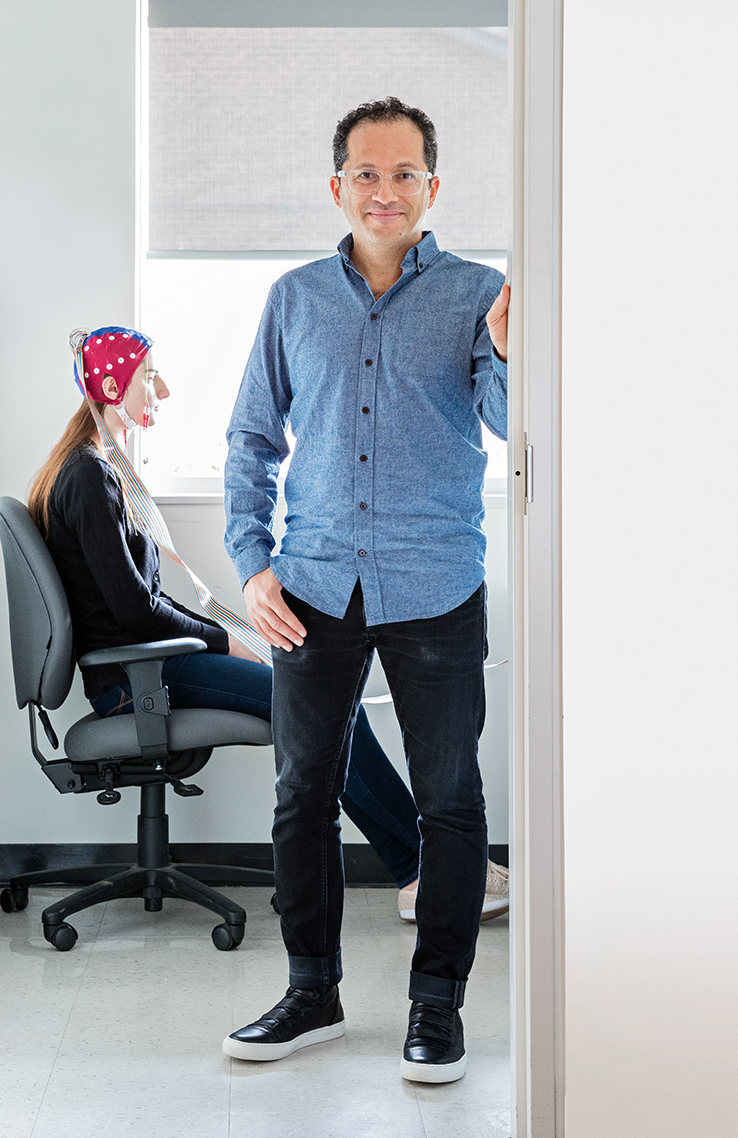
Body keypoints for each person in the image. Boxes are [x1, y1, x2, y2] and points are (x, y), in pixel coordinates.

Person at [222, 97, 510, 1082]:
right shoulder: (294, 298)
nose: (383, 192)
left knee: (448, 803)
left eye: (403, 175)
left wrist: (513, 351)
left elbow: (514, 429)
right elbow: (252, 440)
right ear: (335, 184)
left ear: (432, 187)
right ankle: (311, 994)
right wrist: (250, 562)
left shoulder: (479, 291)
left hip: (435, 584)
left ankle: (437, 1009)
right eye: (364, 173)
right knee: (301, 794)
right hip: (309, 585)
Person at [27, 324, 455, 912]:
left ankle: (415, 867)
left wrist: (227, 635)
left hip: (148, 664)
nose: (164, 390)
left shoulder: (102, 468)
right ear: (110, 385)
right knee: (322, 707)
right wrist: (223, 641)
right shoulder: (88, 477)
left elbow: (139, 600)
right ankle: (421, 871)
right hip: (133, 682)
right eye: (149, 377)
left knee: (326, 702)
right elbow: (133, 610)